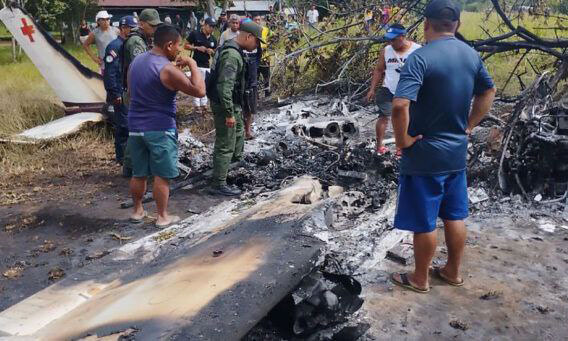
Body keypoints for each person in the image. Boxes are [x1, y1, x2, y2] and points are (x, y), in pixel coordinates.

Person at [389, 0, 496, 293]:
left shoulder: (419, 58)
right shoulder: (471, 55)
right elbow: (489, 90)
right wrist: (470, 125)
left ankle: (420, 278)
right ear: (457, 25)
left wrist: (403, 141)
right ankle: (452, 271)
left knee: (424, 220)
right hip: (456, 154)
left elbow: (399, 106)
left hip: (424, 155)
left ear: (426, 24)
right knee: (454, 215)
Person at [127, 24, 205, 227]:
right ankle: (162, 217)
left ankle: (137, 211)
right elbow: (199, 91)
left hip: (135, 126)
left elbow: (131, 90)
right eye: (178, 46)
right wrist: (193, 64)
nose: (180, 50)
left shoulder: (137, 61)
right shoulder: (166, 69)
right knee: (161, 175)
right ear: (169, 44)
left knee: (139, 172)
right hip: (160, 128)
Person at [207, 22, 265, 196]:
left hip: (234, 103)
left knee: (239, 134)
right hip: (226, 104)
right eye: (257, 42)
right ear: (248, 37)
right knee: (226, 142)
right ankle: (218, 183)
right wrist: (229, 113)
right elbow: (224, 87)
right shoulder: (232, 55)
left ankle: (234, 164)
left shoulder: (235, 50)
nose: (257, 46)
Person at [365, 24, 421, 155]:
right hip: (388, 88)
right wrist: (372, 89)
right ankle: (379, 147)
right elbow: (379, 70)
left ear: (402, 36)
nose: (391, 42)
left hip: (409, 91)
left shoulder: (417, 50)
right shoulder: (386, 50)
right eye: (389, 39)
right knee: (384, 117)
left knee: (405, 118)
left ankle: (400, 147)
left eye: (393, 39)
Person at [121, 8, 162, 177]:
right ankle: (136, 168)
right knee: (143, 130)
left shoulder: (142, 39)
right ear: (142, 24)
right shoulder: (136, 42)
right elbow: (142, 68)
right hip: (137, 93)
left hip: (136, 92)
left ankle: (130, 166)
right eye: (151, 26)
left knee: (137, 130)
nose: (154, 29)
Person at [103, 15, 138, 166]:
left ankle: (129, 156)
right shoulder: (115, 46)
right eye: (131, 28)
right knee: (123, 126)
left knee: (129, 124)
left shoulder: (128, 45)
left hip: (128, 92)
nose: (133, 32)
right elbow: (110, 72)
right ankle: (122, 158)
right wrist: (115, 93)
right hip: (119, 92)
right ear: (124, 28)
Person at [184, 17, 217, 114]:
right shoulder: (195, 34)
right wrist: (197, 48)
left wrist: (211, 51)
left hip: (206, 64)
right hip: (196, 64)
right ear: (205, 25)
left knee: (205, 85)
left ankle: (204, 104)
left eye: (214, 27)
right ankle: (197, 105)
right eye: (210, 26)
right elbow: (186, 45)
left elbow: (215, 51)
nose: (212, 28)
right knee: (196, 84)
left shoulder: (213, 39)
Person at [255, 15, 272, 97]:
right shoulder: (250, 31)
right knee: (255, 78)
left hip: (265, 57)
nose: (257, 21)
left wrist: (269, 44)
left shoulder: (266, 29)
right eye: (256, 20)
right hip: (255, 58)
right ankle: (256, 95)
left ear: (261, 20)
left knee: (267, 77)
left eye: (259, 20)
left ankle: (267, 94)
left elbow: (274, 37)